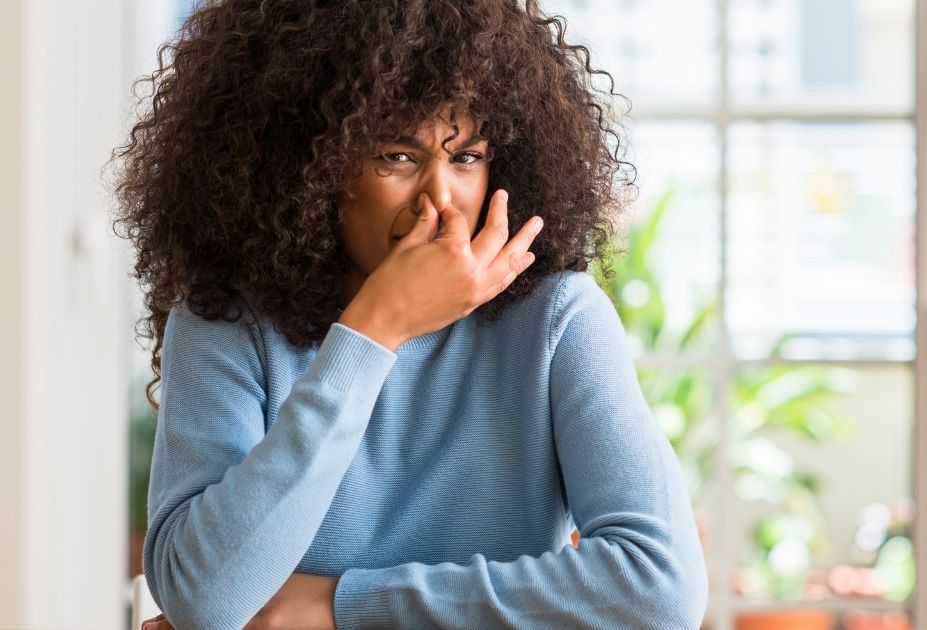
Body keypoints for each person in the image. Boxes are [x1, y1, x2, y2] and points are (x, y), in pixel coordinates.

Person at [110, 1, 708, 628]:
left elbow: (660, 589)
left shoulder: (558, 317)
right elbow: (207, 599)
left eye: (466, 157)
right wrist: (373, 331)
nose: (440, 198)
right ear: (304, 166)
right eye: (397, 156)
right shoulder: (225, 319)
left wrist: (333, 609)